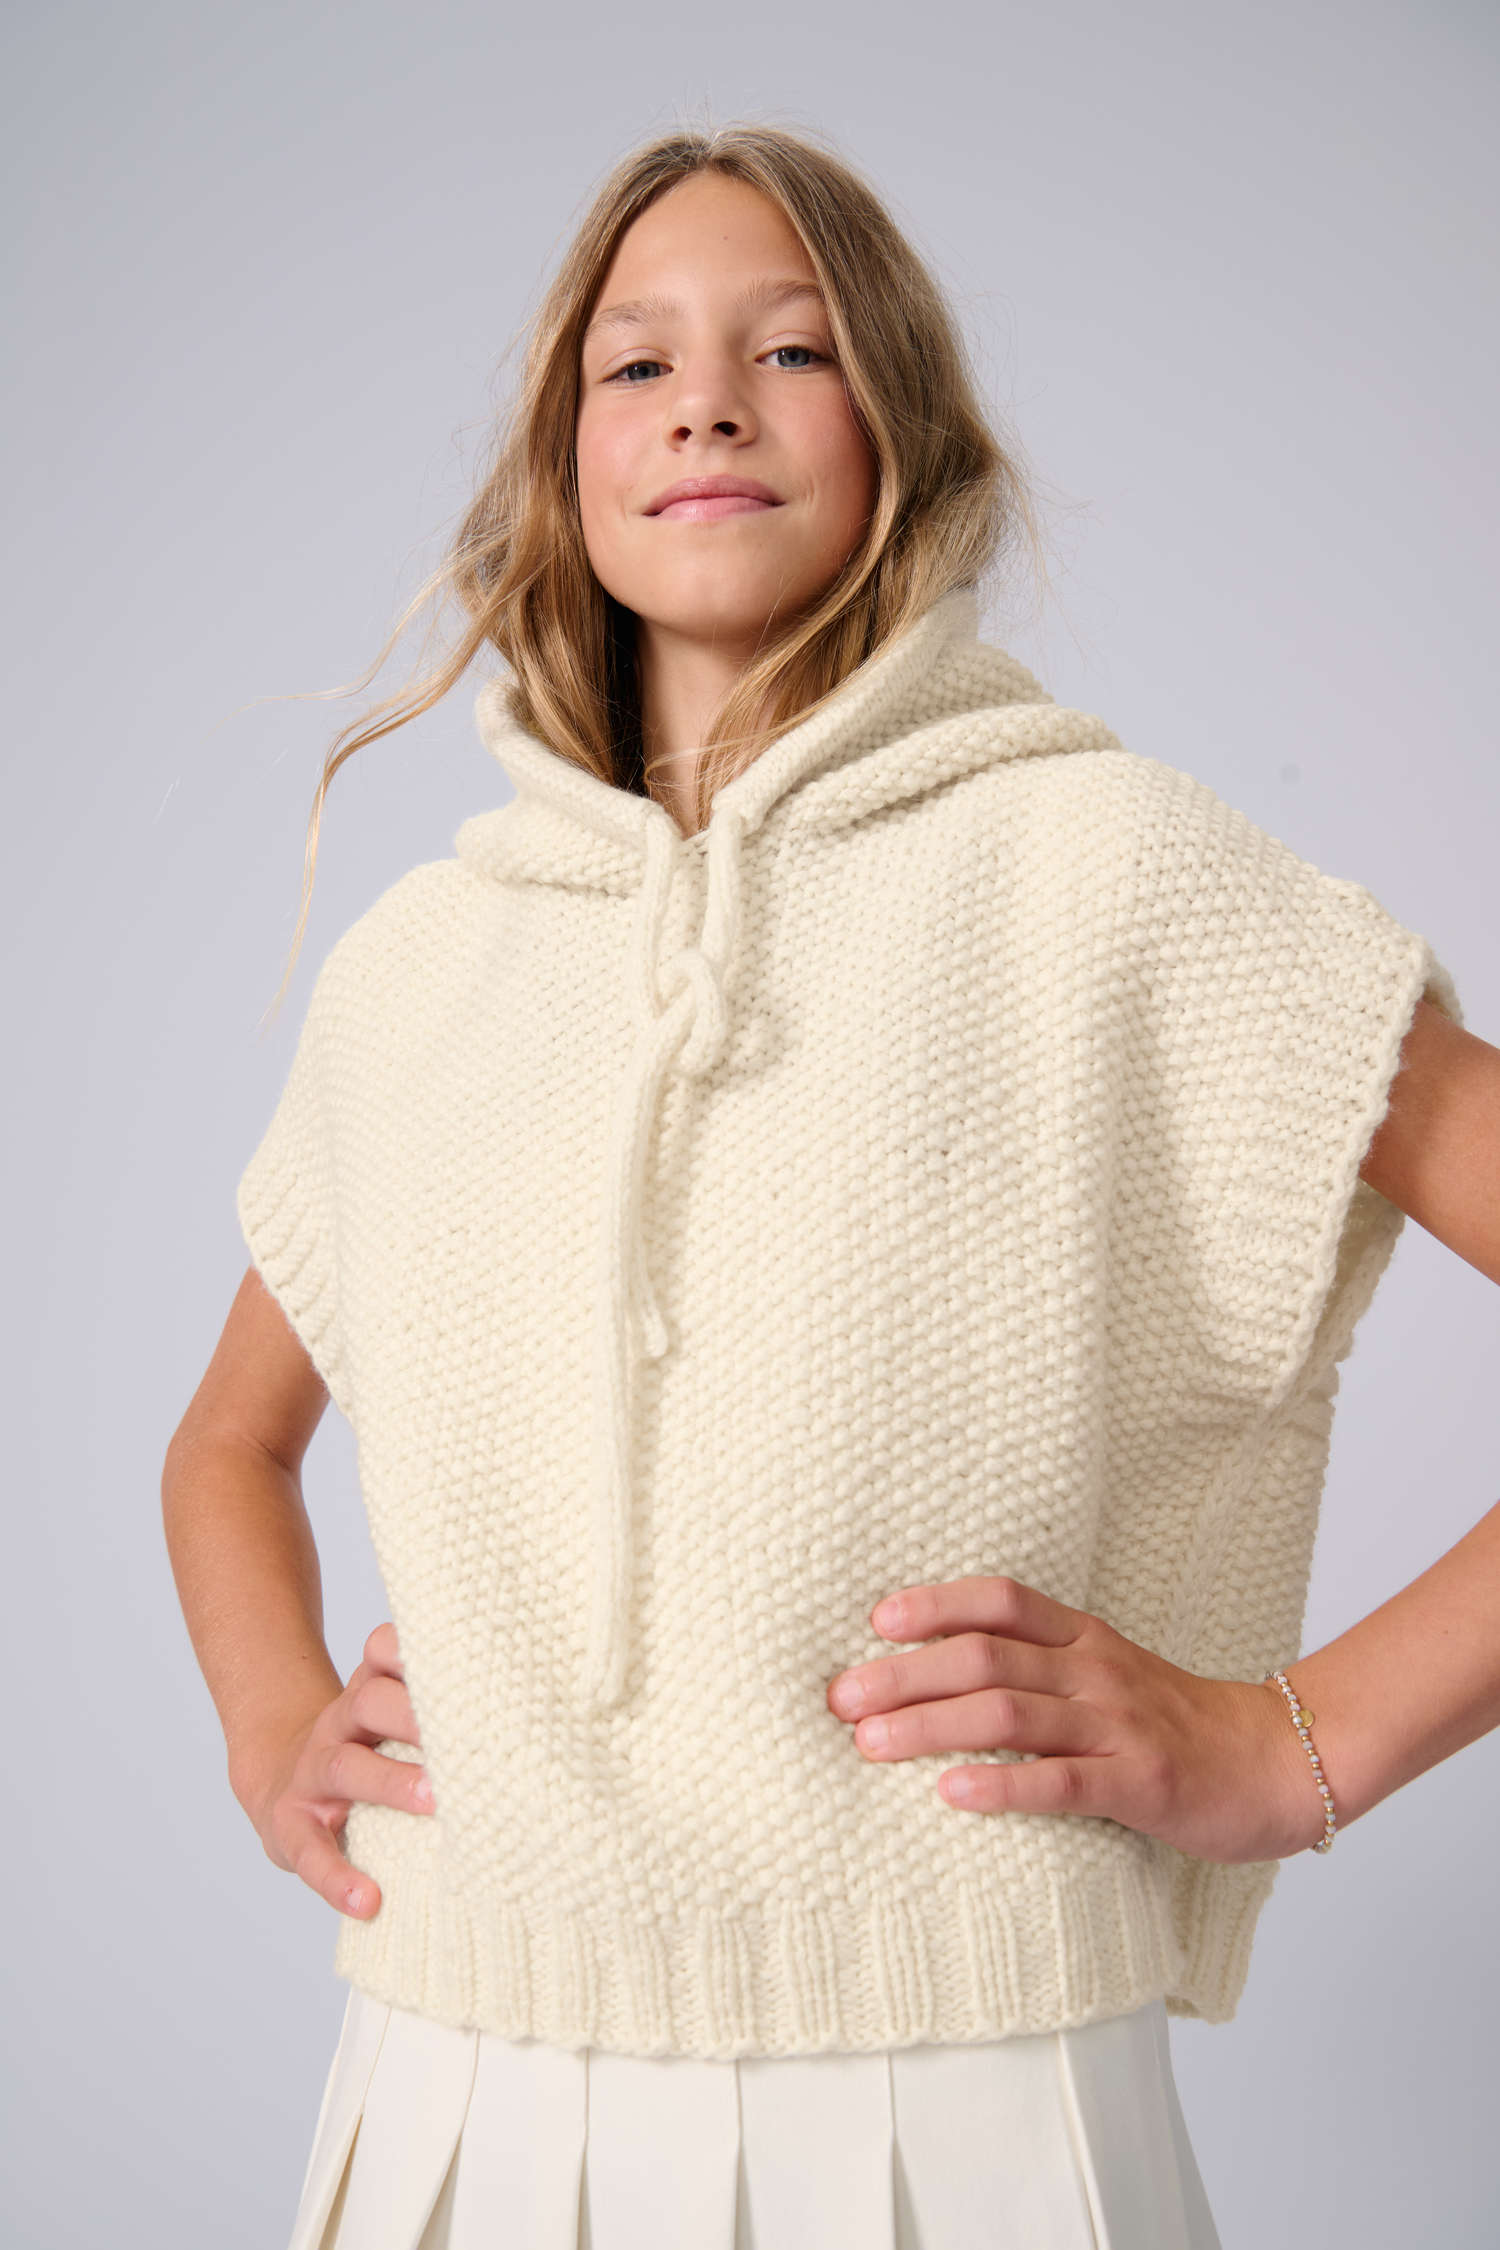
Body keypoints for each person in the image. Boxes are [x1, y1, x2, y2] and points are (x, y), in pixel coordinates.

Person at [161, 121, 1500, 2250]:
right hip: (454, 2079)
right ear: (564, 463)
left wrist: (1294, 1747)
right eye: (636, 363)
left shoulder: (1110, 873)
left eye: (789, 350)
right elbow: (229, 1443)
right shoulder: (427, 963)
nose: (706, 401)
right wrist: (271, 1727)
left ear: (903, 430)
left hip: (965, 2095)